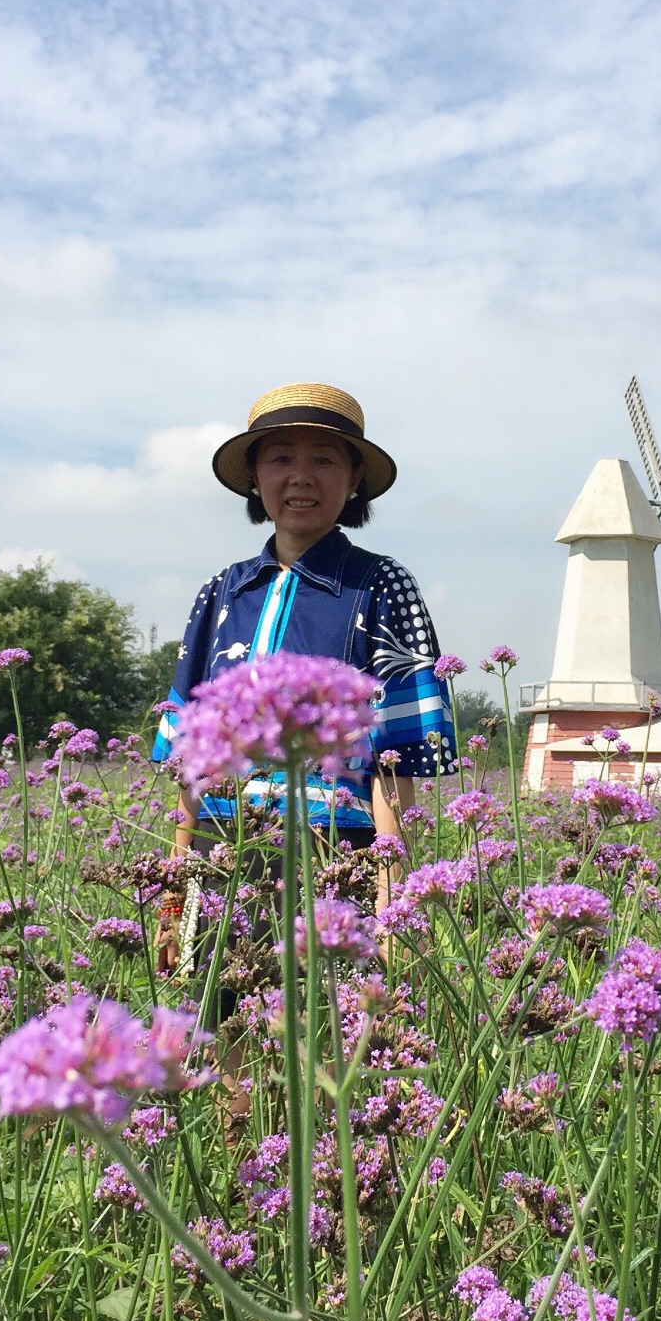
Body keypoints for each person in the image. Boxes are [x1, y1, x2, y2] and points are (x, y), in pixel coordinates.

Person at [152, 382, 458, 966]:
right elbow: (188, 760)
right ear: (254, 478)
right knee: (222, 1032)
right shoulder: (222, 592)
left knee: (322, 1039)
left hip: (338, 851)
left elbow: (396, 759)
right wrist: (174, 898)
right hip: (224, 845)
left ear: (354, 481)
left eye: (323, 459)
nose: (300, 477)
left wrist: (393, 907)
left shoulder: (382, 587)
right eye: (281, 459)